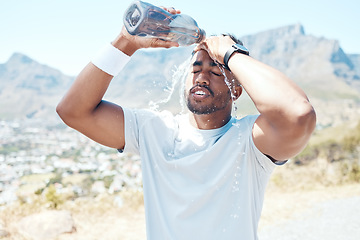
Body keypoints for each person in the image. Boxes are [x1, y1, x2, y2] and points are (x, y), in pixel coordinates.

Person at [56, 6, 316, 240]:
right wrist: (126, 42)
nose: (201, 77)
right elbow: (73, 111)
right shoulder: (153, 130)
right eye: (194, 69)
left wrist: (230, 53)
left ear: (236, 91)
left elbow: (297, 113)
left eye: (215, 72)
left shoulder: (250, 141)